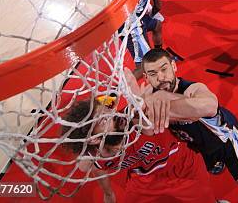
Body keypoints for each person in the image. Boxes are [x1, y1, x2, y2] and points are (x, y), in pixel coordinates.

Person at [139, 48, 238, 185]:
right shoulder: (148, 97)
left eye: (164, 69)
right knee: (210, 168)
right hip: (196, 144)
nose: (161, 78)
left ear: (174, 67)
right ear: (146, 77)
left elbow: (210, 105)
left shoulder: (192, 89)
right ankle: (216, 160)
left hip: (224, 138)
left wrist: (166, 98)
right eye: (153, 74)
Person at [61, 86, 217, 203]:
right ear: (94, 140)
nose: (113, 114)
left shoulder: (137, 119)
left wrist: (142, 93)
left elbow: (208, 107)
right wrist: (108, 194)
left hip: (180, 163)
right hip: (144, 177)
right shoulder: (89, 160)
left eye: (108, 111)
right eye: (103, 120)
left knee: (206, 198)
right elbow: (98, 169)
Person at [111, 0, 164, 77]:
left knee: (157, 25)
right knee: (144, 67)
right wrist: (152, 13)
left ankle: (158, 51)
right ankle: (115, 93)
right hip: (130, 23)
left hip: (122, 16)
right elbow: (158, 6)